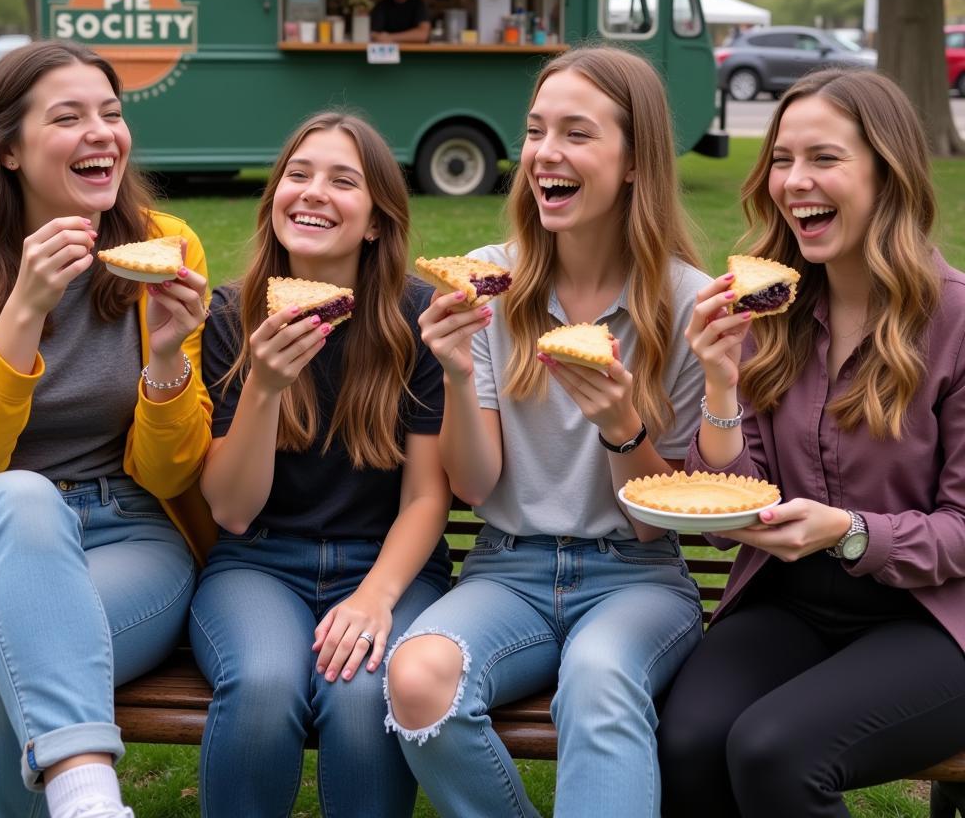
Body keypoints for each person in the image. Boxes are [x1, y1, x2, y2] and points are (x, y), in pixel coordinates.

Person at [384, 46, 707, 818]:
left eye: (577, 133)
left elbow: (655, 524)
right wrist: (458, 371)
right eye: (534, 132)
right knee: (418, 675)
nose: (544, 155)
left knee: (600, 674)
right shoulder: (488, 282)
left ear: (635, 162)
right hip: (507, 570)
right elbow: (473, 485)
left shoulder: (688, 307)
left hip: (636, 575)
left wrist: (621, 427)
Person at [657, 68, 965, 817]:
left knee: (774, 750)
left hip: (932, 619)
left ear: (886, 174)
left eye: (824, 158)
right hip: (790, 602)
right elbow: (734, 505)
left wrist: (853, 533)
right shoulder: (771, 311)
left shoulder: (955, 320)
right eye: (782, 161)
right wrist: (721, 383)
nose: (794, 182)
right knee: (689, 739)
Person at [0, 39, 214, 818]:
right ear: (8, 153)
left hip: (125, 530)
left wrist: (165, 360)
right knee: (21, 495)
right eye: (69, 118)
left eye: (112, 113)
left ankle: (82, 802)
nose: (103, 133)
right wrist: (23, 310)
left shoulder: (166, 245)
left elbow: (167, 476)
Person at [190, 111, 452, 816]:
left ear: (374, 221)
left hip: (387, 564)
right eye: (297, 175)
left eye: (342, 181)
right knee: (265, 683)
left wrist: (373, 598)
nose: (311, 192)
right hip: (258, 563)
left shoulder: (415, 321)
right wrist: (265, 387)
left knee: (366, 692)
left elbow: (428, 498)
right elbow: (233, 510)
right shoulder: (230, 317)